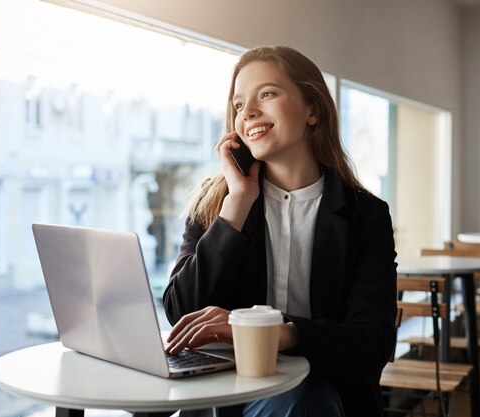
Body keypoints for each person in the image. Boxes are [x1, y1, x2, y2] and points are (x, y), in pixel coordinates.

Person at [163, 45, 398, 417]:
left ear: (313, 110)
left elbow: (372, 344)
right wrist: (237, 204)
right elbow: (181, 312)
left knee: (302, 403)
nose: (249, 112)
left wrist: (277, 332)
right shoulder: (216, 205)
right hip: (224, 394)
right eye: (239, 105)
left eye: (267, 94)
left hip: (321, 393)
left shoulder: (365, 216)